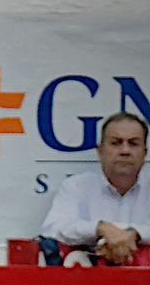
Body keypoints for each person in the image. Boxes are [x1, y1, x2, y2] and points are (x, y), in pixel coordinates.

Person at [38, 111, 149, 266]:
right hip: (85, 279)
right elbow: (52, 229)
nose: (125, 151)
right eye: (116, 143)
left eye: (133, 143)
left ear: (145, 153)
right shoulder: (76, 186)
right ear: (100, 151)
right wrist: (100, 228)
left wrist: (136, 234)